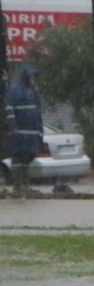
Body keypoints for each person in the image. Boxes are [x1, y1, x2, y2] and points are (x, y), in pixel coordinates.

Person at [4, 67, 43, 198]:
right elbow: (9, 110)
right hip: (20, 134)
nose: (34, 79)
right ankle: (17, 187)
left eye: (35, 77)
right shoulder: (15, 91)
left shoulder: (34, 93)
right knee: (18, 160)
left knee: (27, 159)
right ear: (26, 77)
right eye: (32, 77)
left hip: (32, 134)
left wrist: (40, 132)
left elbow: (38, 113)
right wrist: (13, 128)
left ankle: (25, 186)